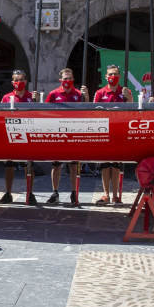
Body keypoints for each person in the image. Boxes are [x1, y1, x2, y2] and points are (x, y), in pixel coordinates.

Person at [46, 67, 88, 206]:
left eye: (69, 78)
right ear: (60, 80)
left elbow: (87, 110)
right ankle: (55, 192)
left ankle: (74, 192)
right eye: (65, 78)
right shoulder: (53, 94)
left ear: (73, 80)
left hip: (74, 133)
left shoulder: (78, 94)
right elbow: (44, 111)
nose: (67, 81)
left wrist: (86, 97)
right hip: (58, 133)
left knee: (73, 165)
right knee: (56, 164)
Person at [93, 64, 132, 205]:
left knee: (116, 165)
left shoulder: (125, 92)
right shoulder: (100, 93)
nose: (112, 77)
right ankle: (106, 194)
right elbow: (94, 112)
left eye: (115, 74)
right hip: (104, 132)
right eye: (110, 74)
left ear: (119, 76)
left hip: (119, 133)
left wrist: (130, 99)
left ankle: (116, 195)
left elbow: (130, 112)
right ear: (105, 76)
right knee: (104, 165)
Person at [0, 69, 35, 204]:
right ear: (12, 82)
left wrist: (36, 101)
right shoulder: (6, 97)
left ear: (25, 82)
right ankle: (8, 193)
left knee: (29, 165)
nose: (18, 82)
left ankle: (30, 193)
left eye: (21, 80)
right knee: (9, 165)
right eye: (16, 80)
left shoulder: (31, 97)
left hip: (27, 134)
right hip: (10, 134)